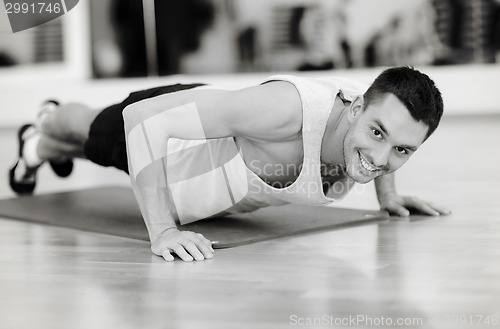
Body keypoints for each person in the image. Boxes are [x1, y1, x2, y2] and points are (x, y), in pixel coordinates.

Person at [9, 66, 451, 262]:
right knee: (91, 131)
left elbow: (390, 134)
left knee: (78, 148)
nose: (380, 158)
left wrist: (389, 195)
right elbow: (140, 121)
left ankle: (37, 147)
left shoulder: (375, 112)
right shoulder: (285, 111)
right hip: (172, 145)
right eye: (377, 135)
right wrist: (162, 231)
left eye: (402, 151)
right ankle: (49, 119)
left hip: (199, 180)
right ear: (355, 111)